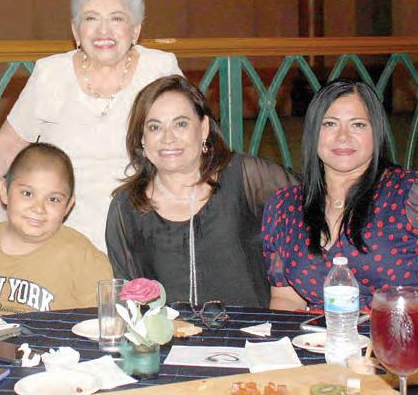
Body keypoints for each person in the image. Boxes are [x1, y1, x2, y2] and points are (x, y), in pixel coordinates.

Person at [0, 0, 181, 251]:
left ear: (136, 30)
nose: (103, 31)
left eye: (116, 18)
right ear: (75, 31)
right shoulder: (51, 73)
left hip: (137, 209)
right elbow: (5, 149)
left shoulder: (159, 69)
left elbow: (189, 144)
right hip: (55, 211)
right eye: (90, 18)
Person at [262, 79, 418, 342]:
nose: (343, 136)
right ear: (313, 132)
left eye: (358, 125)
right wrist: (287, 347)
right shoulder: (285, 207)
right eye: (330, 124)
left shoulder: (412, 193)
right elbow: (286, 299)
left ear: (376, 132)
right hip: (328, 345)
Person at [106, 75, 298, 307]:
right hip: (170, 331)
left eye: (181, 124)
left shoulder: (245, 178)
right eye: (155, 127)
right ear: (142, 139)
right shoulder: (126, 207)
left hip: (252, 329)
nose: (168, 138)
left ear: (204, 128)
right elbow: (129, 303)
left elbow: (317, 203)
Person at [0, 143, 112, 315]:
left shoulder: (84, 258)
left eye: (53, 199)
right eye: (27, 194)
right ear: (4, 191)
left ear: (68, 205)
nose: (38, 208)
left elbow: (103, 322)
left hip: (48, 333)